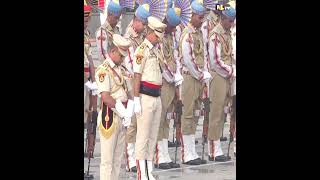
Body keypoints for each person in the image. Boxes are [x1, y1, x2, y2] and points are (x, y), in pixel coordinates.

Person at [154, 0, 191, 169]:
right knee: (160, 119)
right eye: (173, 26)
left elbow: (175, 56)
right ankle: (159, 156)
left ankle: (165, 154)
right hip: (162, 83)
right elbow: (161, 63)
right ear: (166, 23)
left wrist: (177, 75)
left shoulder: (171, 36)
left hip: (172, 82)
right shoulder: (158, 37)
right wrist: (171, 76)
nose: (175, 30)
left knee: (168, 118)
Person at [95, 34, 134, 180]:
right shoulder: (103, 70)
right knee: (107, 160)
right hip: (109, 117)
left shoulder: (121, 69)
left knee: (118, 160)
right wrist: (122, 111)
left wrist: (130, 110)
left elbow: (128, 91)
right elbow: (105, 97)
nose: (123, 58)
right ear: (112, 51)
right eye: (121, 55)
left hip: (122, 116)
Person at [133, 16, 166, 180]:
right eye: (157, 35)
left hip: (156, 96)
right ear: (150, 32)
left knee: (153, 136)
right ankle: (141, 174)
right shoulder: (141, 50)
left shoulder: (156, 49)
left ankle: (149, 171)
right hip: (145, 97)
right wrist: (136, 99)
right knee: (143, 137)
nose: (158, 39)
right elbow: (137, 75)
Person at [179, 0, 210, 165]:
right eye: (199, 17)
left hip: (198, 78)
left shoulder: (199, 33)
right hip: (190, 78)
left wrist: (204, 73)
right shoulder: (187, 35)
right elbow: (188, 60)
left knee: (197, 114)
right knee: (188, 115)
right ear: (191, 16)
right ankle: (187, 154)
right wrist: (200, 75)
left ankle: (192, 152)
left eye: (203, 17)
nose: (202, 20)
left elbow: (203, 55)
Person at [122, 3, 151, 172]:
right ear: (135, 20)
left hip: (141, 82)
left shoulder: (141, 36)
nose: (145, 26)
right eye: (143, 22)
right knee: (132, 123)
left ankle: (138, 157)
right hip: (132, 83)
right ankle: (130, 159)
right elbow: (132, 63)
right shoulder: (128, 38)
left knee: (140, 122)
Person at [207, 6, 236, 162]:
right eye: (230, 21)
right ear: (223, 18)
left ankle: (217, 148)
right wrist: (231, 70)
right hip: (218, 76)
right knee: (216, 113)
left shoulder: (227, 34)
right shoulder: (216, 35)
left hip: (227, 76)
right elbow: (215, 61)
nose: (232, 24)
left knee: (223, 112)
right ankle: (213, 150)